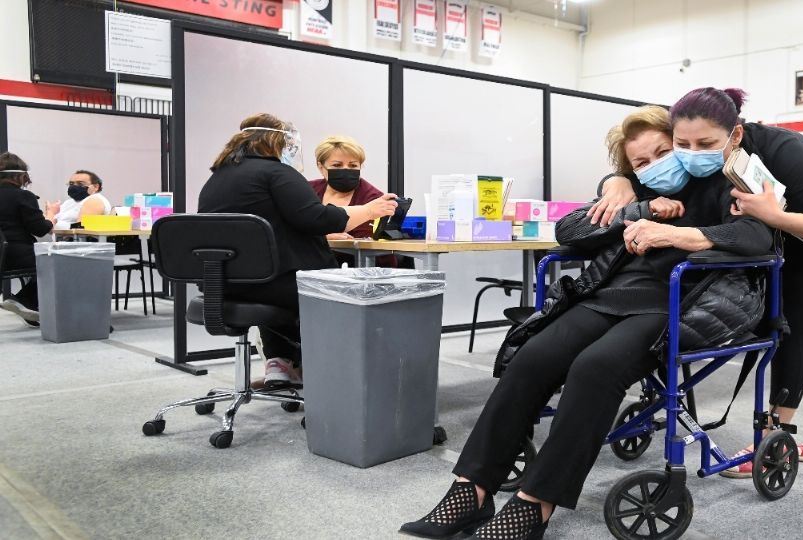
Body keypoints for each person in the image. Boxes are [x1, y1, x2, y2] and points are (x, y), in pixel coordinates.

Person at [400, 106, 772, 539]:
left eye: (665, 151)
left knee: (595, 369)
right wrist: (636, 207)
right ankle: (472, 490)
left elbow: (758, 237)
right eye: (640, 161)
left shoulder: (726, 184)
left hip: (676, 302)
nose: (657, 164)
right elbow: (569, 231)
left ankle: (534, 504)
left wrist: (676, 234)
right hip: (606, 296)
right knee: (532, 359)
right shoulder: (633, 190)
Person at [602, 88, 803, 475]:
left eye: (705, 144)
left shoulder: (783, 148)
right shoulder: (696, 152)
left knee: (790, 324)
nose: (690, 153)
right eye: (681, 144)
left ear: (735, 135)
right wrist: (617, 180)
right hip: (787, 235)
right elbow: (646, 163)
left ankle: (773, 438)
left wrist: (777, 217)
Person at [198, 113, 398, 387]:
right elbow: (315, 218)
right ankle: (329, 373)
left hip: (224, 283)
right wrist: (367, 211)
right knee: (325, 286)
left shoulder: (219, 177)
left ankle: (280, 365)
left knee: (288, 281)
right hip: (271, 284)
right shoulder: (277, 174)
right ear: (277, 142)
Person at [309, 135, 405, 268]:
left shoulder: (374, 200)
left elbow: (368, 245)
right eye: (337, 165)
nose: (345, 170)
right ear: (320, 167)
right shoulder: (307, 191)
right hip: (309, 273)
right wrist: (323, 237)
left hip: (361, 275)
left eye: (353, 165)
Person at [0, 152, 58, 326]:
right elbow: (40, 229)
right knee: (58, 261)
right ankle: (23, 300)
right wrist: (51, 215)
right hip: (16, 254)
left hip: (3, 255)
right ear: (21, 176)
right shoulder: (23, 196)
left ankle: (30, 306)